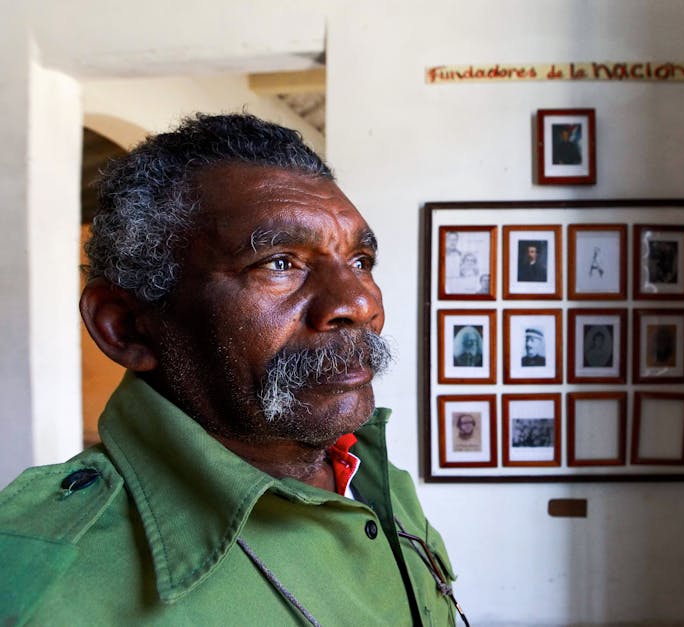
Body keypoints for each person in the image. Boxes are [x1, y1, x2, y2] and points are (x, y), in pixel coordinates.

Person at [0, 114, 465, 625]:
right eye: (279, 263)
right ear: (126, 327)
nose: (358, 303)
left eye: (360, 261)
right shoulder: (37, 586)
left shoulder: (372, 476)